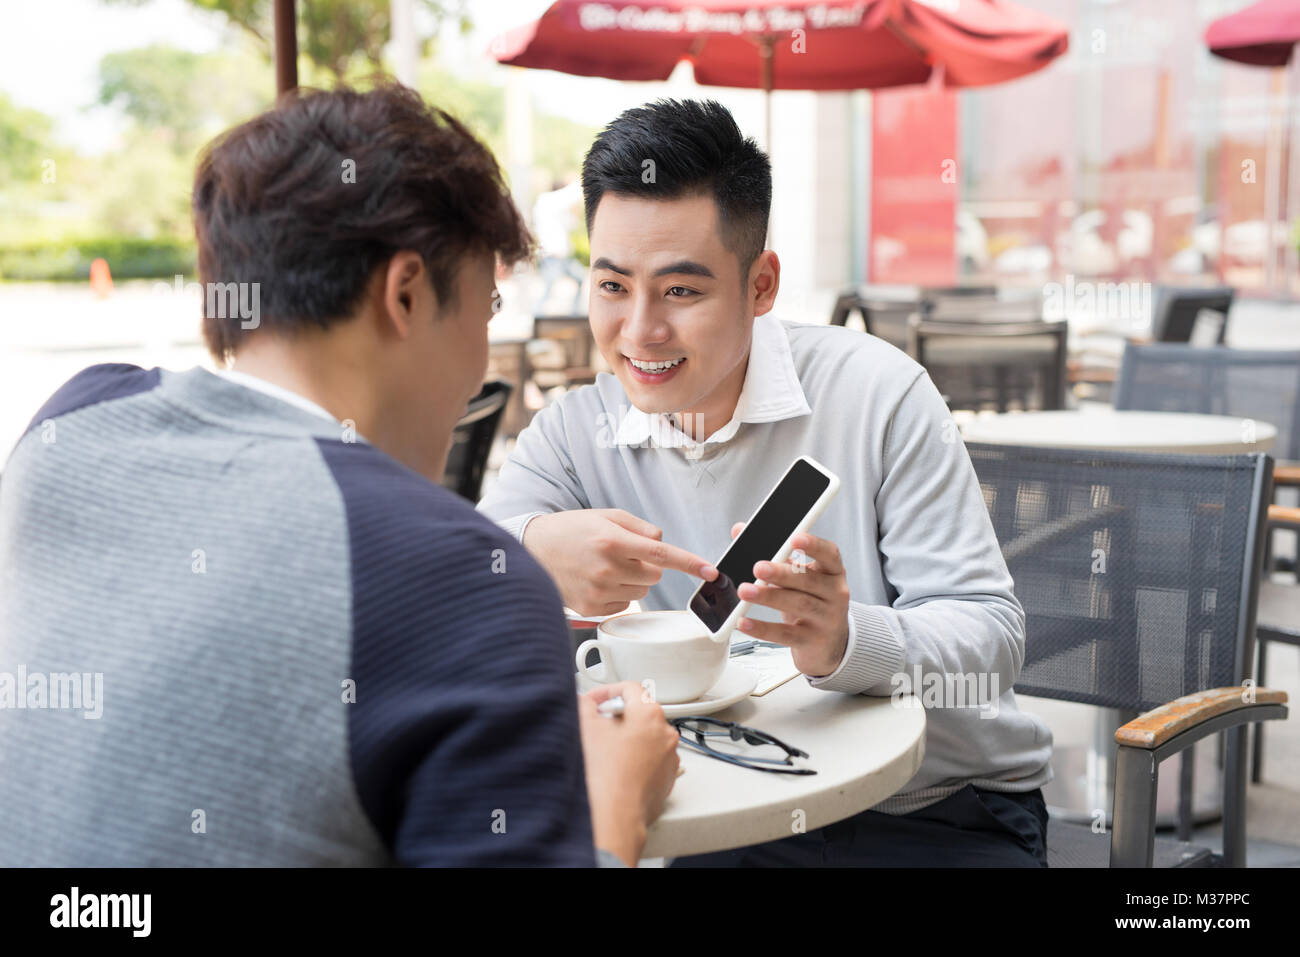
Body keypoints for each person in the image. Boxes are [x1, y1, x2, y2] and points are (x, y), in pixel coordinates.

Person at [0, 85, 678, 867]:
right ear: (407, 292)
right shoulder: (457, 576)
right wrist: (612, 808)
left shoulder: (72, 422)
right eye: (487, 304)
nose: (480, 360)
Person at [477, 98, 1055, 867]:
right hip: (727, 812)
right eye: (613, 286)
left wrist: (848, 640)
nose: (641, 330)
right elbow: (462, 572)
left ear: (762, 285)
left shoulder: (879, 392)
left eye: (681, 291)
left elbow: (992, 642)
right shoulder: (575, 431)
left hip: (931, 810)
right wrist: (535, 544)